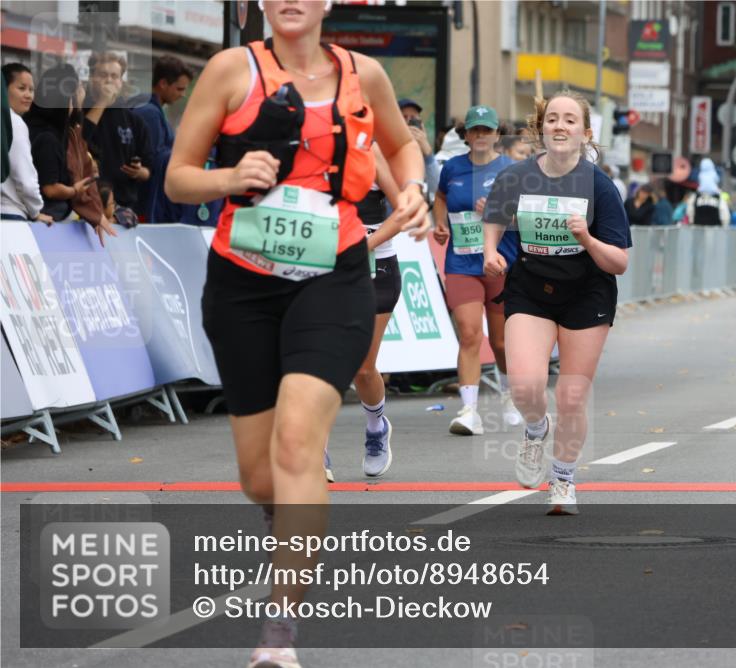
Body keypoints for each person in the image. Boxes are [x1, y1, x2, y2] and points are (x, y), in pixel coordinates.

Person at [164, 1, 429, 664]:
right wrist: (228, 177)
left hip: (334, 277)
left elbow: (401, 145)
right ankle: (283, 523)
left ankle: (280, 630)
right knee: (260, 477)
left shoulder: (364, 74)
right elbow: (177, 177)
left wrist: (413, 189)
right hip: (242, 284)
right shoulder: (230, 70)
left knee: (296, 443)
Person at [482, 90, 631, 515]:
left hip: (587, 291)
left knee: (570, 396)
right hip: (531, 287)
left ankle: (563, 478)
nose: (559, 126)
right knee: (526, 385)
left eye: (569, 120)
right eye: (552, 119)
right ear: (540, 128)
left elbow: (619, 261)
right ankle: (535, 428)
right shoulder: (517, 176)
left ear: (585, 133)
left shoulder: (600, 186)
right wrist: (491, 252)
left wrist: (585, 237)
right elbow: (494, 216)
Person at [322, 144, 415, 482]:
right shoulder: (307, 144)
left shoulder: (371, 151)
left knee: (362, 369)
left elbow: (403, 212)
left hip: (375, 268)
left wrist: (363, 246)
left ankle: (377, 426)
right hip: (321, 267)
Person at [433, 105, 522, 435]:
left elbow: (526, 216)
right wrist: (439, 222)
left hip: (500, 264)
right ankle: (469, 410)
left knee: (500, 342)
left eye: (487, 129)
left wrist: (501, 213)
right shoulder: (452, 168)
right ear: (466, 135)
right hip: (461, 263)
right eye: (475, 130)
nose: (481, 135)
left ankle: (512, 397)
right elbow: (441, 197)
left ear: (498, 134)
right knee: (469, 333)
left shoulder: (512, 169)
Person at [25, 64, 115, 241]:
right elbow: (50, 190)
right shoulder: (47, 139)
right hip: (47, 224)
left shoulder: (61, 132)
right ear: (66, 99)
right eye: (78, 89)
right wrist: (74, 191)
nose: (82, 94)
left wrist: (96, 212)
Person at [130, 55, 212, 224]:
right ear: (163, 84)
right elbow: (152, 160)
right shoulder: (150, 114)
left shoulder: (152, 111)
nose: (182, 95)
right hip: (145, 202)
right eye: (179, 89)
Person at [83, 52, 153, 214]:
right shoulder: (79, 109)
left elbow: (149, 169)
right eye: (103, 75)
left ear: (121, 82)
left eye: (114, 76)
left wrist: (139, 171)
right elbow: (80, 139)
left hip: (122, 206)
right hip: (86, 202)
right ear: (92, 77)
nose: (109, 80)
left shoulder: (135, 121)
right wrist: (102, 102)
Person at [1, 64, 48, 223]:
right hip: (11, 215)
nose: (28, 95)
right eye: (21, 88)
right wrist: (36, 211)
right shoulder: (14, 123)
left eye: (31, 89)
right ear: (3, 89)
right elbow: (25, 180)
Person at [398, 97, 439, 197]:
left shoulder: (423, 151)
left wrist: (427, 152)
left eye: (413, 119)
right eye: (404, 117)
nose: (408, 122)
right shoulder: (386, 146)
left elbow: (436, 188)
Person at [687, 158, 730, 226]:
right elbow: (725, 215)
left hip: (698, 232)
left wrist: (692, 222)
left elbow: (690, 213)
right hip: (715, 232)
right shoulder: (718, 197)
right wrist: (724, 227)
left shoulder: (695, 197)